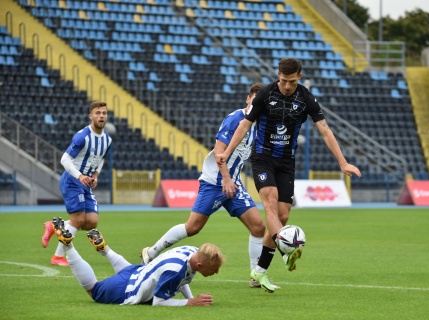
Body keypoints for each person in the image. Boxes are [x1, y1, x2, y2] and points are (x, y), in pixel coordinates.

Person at [216, 58, 362, 293]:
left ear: (299, 77)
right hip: (263, 158)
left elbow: (324, 130)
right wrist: (226, 152)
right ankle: (287, 248)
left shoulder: (306, 98)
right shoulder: (265, 94)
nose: (286, 86)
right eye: (283, 81)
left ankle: (260, 271)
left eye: (291, 81)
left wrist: (343, 162)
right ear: (278, 76)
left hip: (286, 162)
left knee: (282, 217)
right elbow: (244, 125)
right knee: (270, 205)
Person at [141, 84, 278, 289]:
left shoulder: (258, 125)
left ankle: (254, 275)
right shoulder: (235, 119)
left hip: (234, 183)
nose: (258, 104)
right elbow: (218, 151)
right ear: (248, 99)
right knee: (193, 227)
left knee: (258, 226)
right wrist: (226, 179)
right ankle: (151, 252)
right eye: (255, 99)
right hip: (216, 182)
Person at [50, 217, 223, 306]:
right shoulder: (175, 270)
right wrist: (189, 302)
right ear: (200, 265)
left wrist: (191, 297)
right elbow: (158, 302)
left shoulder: (192, 252)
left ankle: (105, 250)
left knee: (138, 274)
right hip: (127, 289)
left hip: (136, 271)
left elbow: (184, 278)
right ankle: (68, 246)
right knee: (94, 291)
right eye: (214, 269)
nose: (216, 272)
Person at [41, 101, 113, 266]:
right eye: (98, 113)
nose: (101, 116)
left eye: (104, 113)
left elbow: (100, 159)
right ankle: (58, 257)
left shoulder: (107, 139)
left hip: (86, 182)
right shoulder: (82, 136)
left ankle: (54, 227)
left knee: (92, 221)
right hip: (72, 180)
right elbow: (64, 159)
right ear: (91, 116)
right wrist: (80, 176)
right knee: (78, 219)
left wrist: (96, 174)